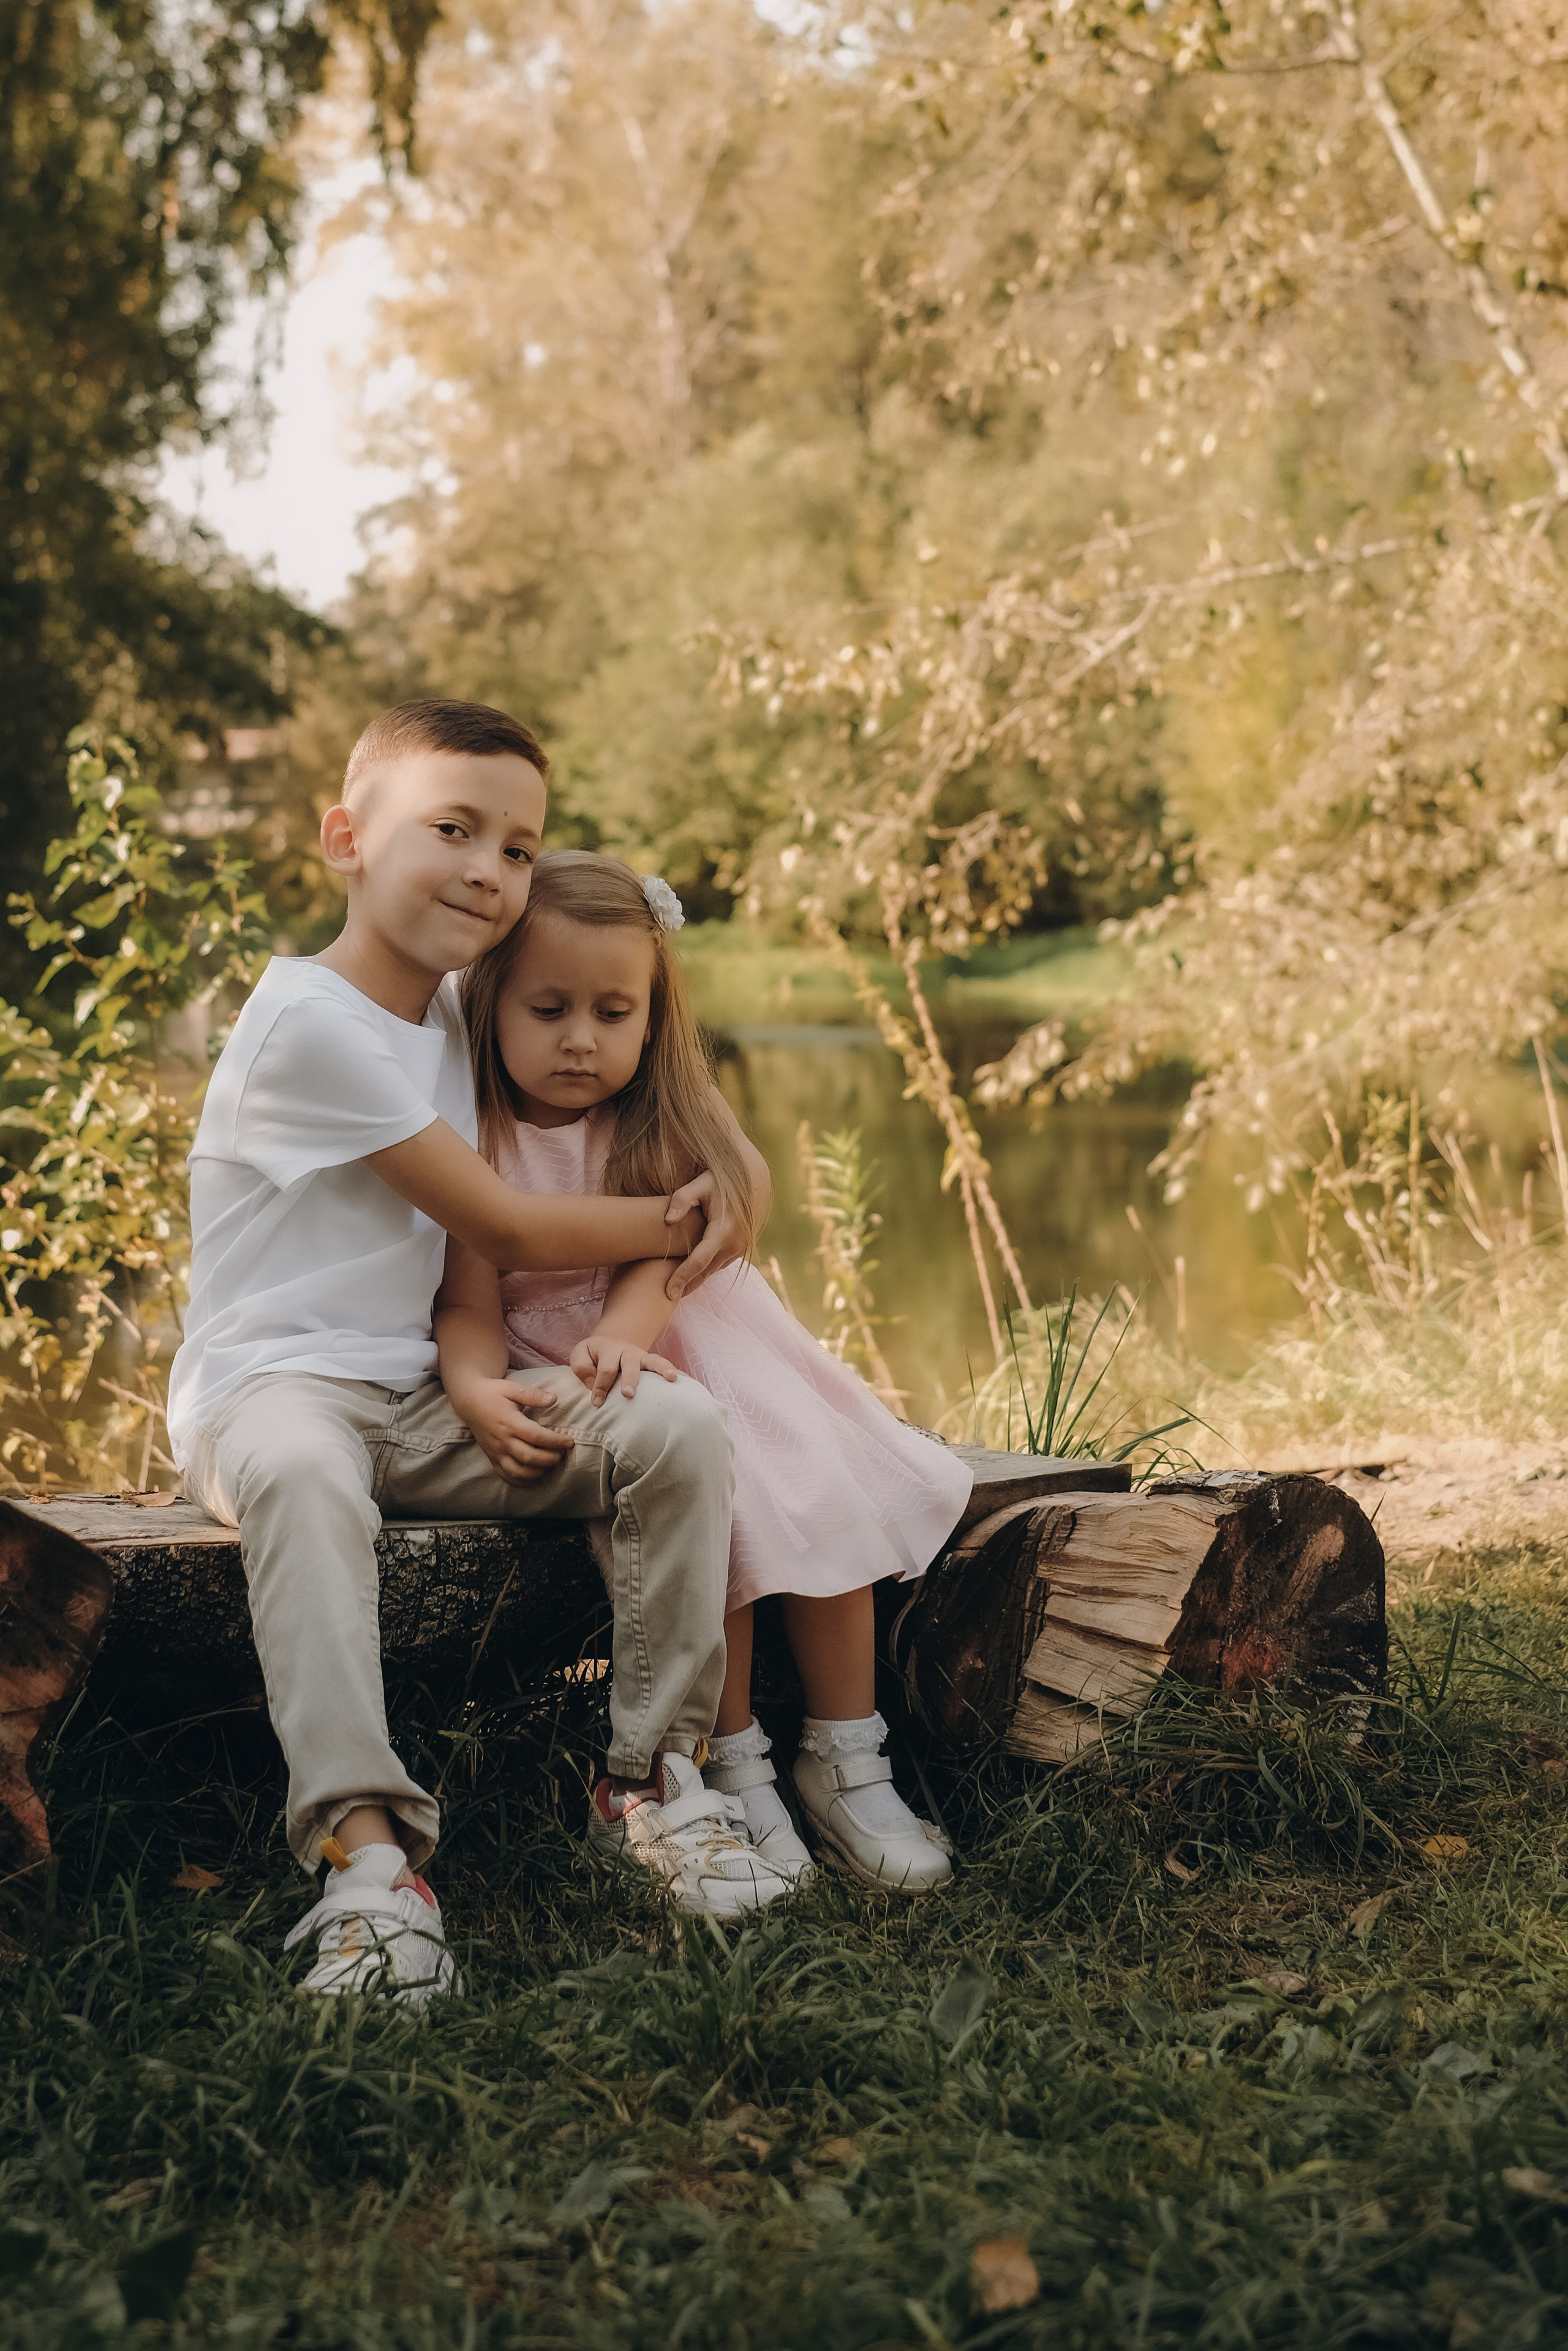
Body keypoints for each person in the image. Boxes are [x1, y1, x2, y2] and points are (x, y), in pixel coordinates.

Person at [167, 700, 797, 2008]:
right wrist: (697, 1212)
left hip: (423, 1391)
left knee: (675, 1429)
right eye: (452, 829)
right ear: (345, 836)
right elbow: (505, 1220)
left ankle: (648, 1780)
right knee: (299, 1471)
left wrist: (711, 1161)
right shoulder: (310, 1022)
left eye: (517, 847)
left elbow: (605, 1053)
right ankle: (371, 1866)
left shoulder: (458, 1007)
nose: (489, 871)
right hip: (275, 1391)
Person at [437, 850, 974, 1894]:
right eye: (548, 1008)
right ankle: (733, 1768)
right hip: (565, 1354)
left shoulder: (659, 1114)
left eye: (612, 1011)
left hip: (691, 1325)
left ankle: (846, 1754)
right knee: (703, 1517)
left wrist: (633, 1329)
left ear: (652, 1015)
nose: (581, 1038)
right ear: (492, 1001)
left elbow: (672, 1257)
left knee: (810, 1482)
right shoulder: (471, 1132)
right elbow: (465, 1290)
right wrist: (492, 1377)